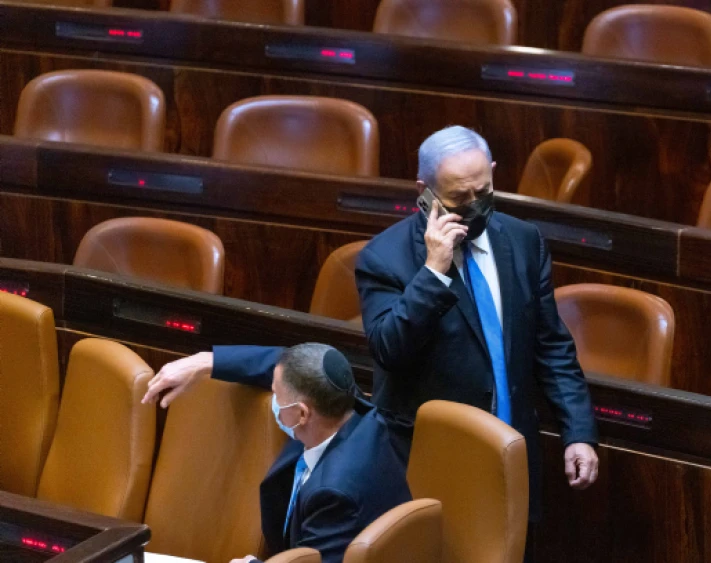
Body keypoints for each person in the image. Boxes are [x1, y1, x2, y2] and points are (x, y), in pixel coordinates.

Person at [144, 126, 599, 526]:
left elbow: (551, 346)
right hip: (427, 465)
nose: (477, 206)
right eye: (461, 198)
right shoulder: (385, 257)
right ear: (424, 192)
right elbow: (389, 349)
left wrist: (577, 431)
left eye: (485, 191)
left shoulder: (522, 241)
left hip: (513, 455)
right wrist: (434, 273)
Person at [143, 343, 411, 563]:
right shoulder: (350, 410)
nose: (273, 401)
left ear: (302, 413)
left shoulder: (336, 493)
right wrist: (205, 362)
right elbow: (286, 364)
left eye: (275, 394)